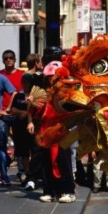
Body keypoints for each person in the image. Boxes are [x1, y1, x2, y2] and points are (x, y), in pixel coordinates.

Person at [38, 60, 76, 203]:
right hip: (46, 130)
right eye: (48, 77)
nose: (51, 79)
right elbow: (37, 113)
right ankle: (49, 191)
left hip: (61, 130)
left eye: (53, 76)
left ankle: (67, 190)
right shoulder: (44, 93)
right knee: (46, 161)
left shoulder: (67, 91)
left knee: (62, 160)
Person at [0, 49, 25, 182]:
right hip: (2, 114)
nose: (8, 60)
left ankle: (21, 171)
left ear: (15, 60)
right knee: (1, 141)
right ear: (3, 61)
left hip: (17, 113)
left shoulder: (21, 75)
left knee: (20, 143)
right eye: (5, 58)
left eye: (11, 58)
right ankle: (3, 173)